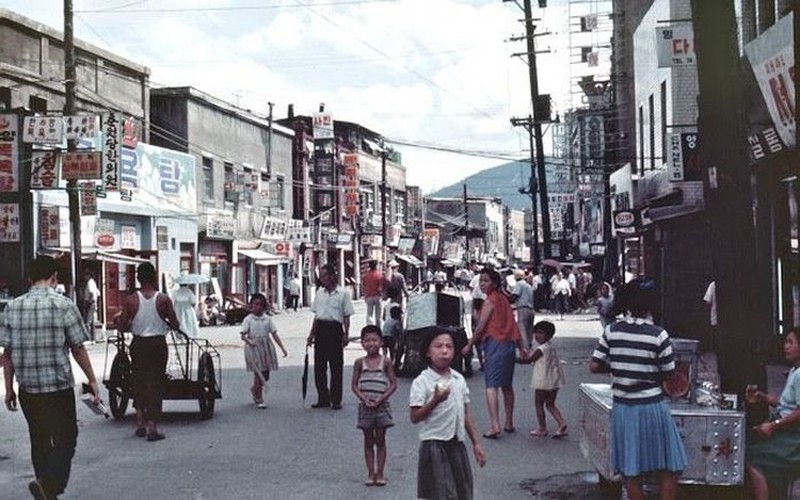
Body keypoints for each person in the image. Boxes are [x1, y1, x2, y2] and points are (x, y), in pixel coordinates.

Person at [1, 255, 102, 500]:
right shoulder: (64, 304)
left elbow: (7, 354)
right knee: (67, 436)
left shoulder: (12, 308)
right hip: (58, 387)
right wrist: (92, 381)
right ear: (54, 277)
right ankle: (51, 484)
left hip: (28, 389)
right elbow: (78, 348)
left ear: (29, 279)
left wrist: (9, 389)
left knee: (39, 438)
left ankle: (45, 486)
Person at [589, 278, 687, 500]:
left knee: (631, 471)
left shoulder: (612, 331)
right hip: (653, 406)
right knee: (669, 467)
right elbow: (669, 373)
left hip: (624, 408)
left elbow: (594, 365)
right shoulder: (658, 334)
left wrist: (619, 367)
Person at [410, 329, 486, 500]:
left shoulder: (458, 379)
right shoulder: (422, 382)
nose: (444, 351)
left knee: (463, 491)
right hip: (434, 445)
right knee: (443, 494)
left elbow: (466, 413)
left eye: (449, 347)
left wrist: (476, 443)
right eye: (438, 346)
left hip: (456, 444)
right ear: (428, 352)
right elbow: (414, 417)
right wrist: (435, 400)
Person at [115, 262, 180, 442]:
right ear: (154, 276)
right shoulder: (163, 299)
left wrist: (128, 324)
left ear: (138, 278)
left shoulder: (131, 300)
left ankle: (140, 423)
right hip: (157, 345)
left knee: (139, 382)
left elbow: (121, 326)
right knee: (155, 385)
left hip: (138, 345)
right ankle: (152, 428)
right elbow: (175, 324)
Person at [461, 267, 525, 439]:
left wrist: (469, 344)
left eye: (486, 281)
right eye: (481, 280)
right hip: (509, 345)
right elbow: (514, 324)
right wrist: (522, 347)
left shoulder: (490, 302)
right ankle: (509, 422)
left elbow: (481, 327)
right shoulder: (504, 300)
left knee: (491, 386)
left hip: (495, 344)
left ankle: (495, 425)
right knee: (507, 385)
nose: (482, 284)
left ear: (494, 283)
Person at [745, 329, 800, 499]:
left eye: (791, 342)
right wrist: (762, 397)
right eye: (785, 342)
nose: (786, 346)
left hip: (793, 436)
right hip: (786, 430)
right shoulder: (793, 371)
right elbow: (786, 403)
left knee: (754, 457)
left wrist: (773, 425)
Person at [351, 325, 398, 487]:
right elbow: (354, 385)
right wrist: (364, 399)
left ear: (381, 342)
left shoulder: (385, 362)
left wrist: (381, 399)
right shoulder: (359, 363)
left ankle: (380, 473)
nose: (371, 343)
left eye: (374, 340)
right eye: (367, 340)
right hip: (365, 408)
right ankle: (371, 473)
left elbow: (393, 384)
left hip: (382, 407)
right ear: (362, 343)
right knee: (368, 440)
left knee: (381, 440)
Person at [306, 263, 354, 410]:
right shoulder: (319, 293)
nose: (321, 279)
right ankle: (323, 398)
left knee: (336, 366)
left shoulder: (343, 293)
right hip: (321, 329)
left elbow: (346, 316)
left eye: (324, 276)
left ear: (332, 276)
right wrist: (311, 334)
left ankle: (336, 399)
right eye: (320, 277)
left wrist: (346, 334)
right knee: (319, 367)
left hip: (335, 330)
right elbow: (317, 316)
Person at [241, 293, 287, 409]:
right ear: (251, 306)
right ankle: (259, 398)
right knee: (258, 374)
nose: (258, 307)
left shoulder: (267, 319)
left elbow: (274, 334)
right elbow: (243, 335)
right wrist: (249, 341)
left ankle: (254, 389)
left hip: (266, 348)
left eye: (261, 305)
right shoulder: (248, 319)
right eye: (256, 304)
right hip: (253, 348)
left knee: (265, 375)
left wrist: (282, 347)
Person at [523, 321, 567, 438]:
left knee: (538, 404)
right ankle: (561, 423)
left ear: (548, 335)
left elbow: (528, 360)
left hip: (543, 381)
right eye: (536, 332)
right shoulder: (551, 347)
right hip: (554, 381)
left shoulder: (541, 349)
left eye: (541, 333)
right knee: (550, 404)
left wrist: (513, 359)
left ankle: (542, 428)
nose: (537, 335)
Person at [510, 269, 534, 349]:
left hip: (523, 308)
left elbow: (514, 296)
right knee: (529, 330)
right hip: (531, 309)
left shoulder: (519, 284)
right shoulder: (528, 285)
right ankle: (529, 345)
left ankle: (524, 348)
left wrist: (506, 297)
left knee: (522, 329)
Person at [362, 260, 383, 327]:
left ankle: (369, 328)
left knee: (369, 314)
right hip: (377, 296)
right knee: (378, 315)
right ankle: (378, 328)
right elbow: (380, 288)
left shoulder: (366, 276)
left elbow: (364, 286)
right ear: (376, 266)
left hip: (369, 296)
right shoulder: (379, 275)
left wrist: (365, 295)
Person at [83, 270, 101, 342]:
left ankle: (88, 338)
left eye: (85, 275)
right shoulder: (93, 282)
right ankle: (93, 338)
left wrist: (89, 301)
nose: (84, 277)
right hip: (93, 303)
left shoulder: (90, 283)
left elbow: (91, 292)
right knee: (92, 322)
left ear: (88, 275)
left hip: (90, 303)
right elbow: (98, 293)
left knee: (87, 322)